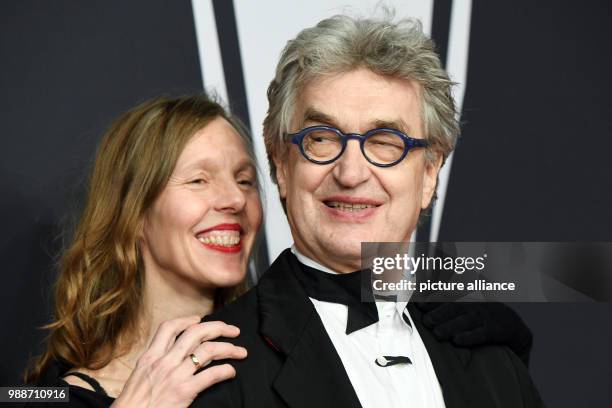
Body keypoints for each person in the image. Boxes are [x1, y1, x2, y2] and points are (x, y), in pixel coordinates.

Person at [192, 13, 543, 408]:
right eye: (321, 138)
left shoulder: (495, 361)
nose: (351, 172)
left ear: (429, 174)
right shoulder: (212, 370)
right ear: (280, 164)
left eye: (385, 141)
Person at [25, 94, 263, 407]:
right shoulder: (55, 396)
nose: (236, 198)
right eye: (198, 180)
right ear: (135, 214)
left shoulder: (284, 352)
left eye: (244, 180)